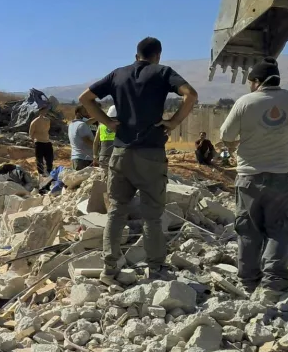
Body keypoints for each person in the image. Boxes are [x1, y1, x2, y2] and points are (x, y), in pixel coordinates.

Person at [79, 37, 199, 282]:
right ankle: (155, 269)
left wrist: (107, 122)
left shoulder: (118, 74)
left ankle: (109, 269)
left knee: (116, 212)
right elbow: (191, 94)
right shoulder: (162, 72)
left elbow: (85, 98)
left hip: (120, 153)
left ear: (136, 56)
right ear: (158, 55)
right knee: (152, 216)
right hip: (151, 154)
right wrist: (173, 122)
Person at [219, 57, 288, 296]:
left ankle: (249, 282)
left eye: (250, 82)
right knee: (281, 231)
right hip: (284, 178)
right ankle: (274, 283)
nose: (250, 86)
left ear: (257, 81)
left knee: (249, 230)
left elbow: (226, 134)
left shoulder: (245, 102)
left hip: (249, 178)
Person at [29, 111, 54, 175]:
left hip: (44, 142)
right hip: (40, 142)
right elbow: (31, 134)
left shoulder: (47, 120)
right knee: (41, 160)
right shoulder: (35, 122)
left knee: (47, 160)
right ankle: (43, 173)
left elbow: (31, 134)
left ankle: (47, 172)